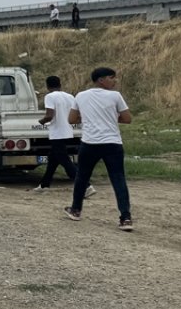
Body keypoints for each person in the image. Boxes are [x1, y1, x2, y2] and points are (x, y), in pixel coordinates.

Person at [64, 67, 134, 231]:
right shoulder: (115, 96)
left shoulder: (81, 96)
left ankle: (75, 210)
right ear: (101, 79)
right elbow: (128, 118)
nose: (115, 81)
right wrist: (111, 117)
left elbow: (71, 119)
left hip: (89, 143)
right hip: (112, 143)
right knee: (118, 179)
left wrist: (88, 118)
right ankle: (125, 218)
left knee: (82, 177)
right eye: (112, 78)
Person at [34, 75, 83, 193]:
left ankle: (84, 185)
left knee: (64, 160)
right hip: (67, 131)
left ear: (47, 86)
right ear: (60, 85)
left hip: (57, 133)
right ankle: (44, 185)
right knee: (53, 159)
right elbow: (76, 114)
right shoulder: (70, 96)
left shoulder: (49, 96)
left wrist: (41, 121)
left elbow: (49, 115)